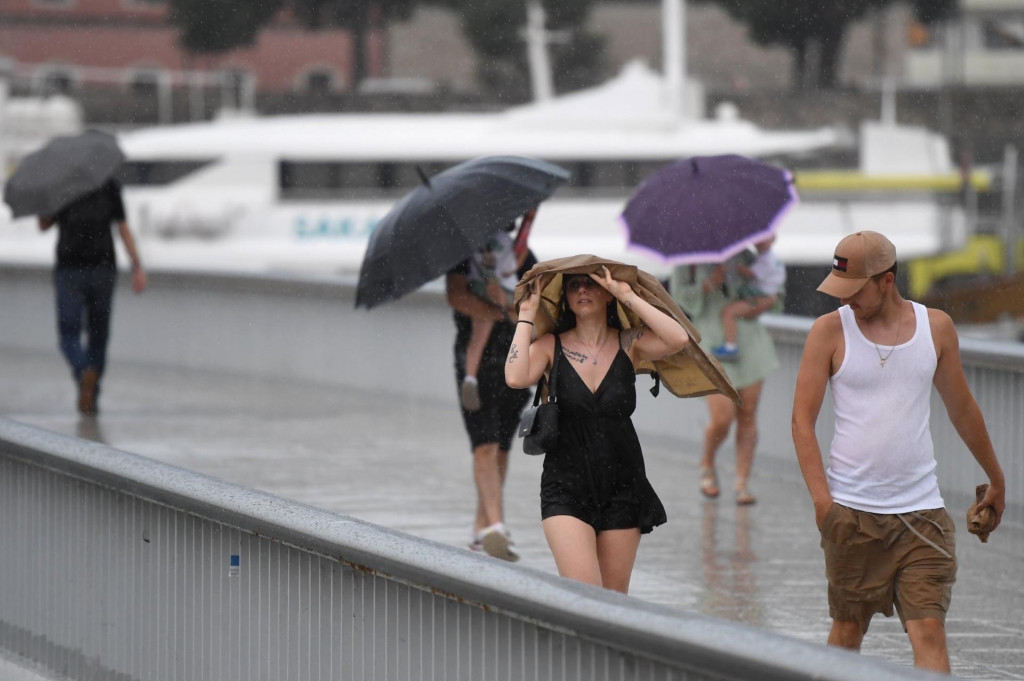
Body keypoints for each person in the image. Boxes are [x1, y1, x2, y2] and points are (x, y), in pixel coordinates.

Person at [791, 230, 1005, 672]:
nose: (846, 300)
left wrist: (996, 478)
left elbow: (962, 408)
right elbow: (801, 421)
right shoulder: (828, 331)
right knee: (848, 632)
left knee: (928, 630)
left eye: (855, 290)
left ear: (886, 281)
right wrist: (822, 504)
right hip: (851, 514)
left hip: (923, 514)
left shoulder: (937, 328)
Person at [505, 266, 688, 593]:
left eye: (591, 284)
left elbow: (678, 338)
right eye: (574, 286)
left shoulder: (630, 342)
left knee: (614, 603)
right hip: (566, 485)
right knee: (584, 598)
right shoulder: (551, 345)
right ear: (566, 298)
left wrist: (627, 294)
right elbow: (516, 377)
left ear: (606, 293)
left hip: (623, 483)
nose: (582, 291)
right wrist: (527, 316)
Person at [446, 242, 536, 561]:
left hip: (514, 359)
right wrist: (496, 309)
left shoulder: (522, 255)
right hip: (475, 365)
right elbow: (456, 296)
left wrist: (507, 303)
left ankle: (481, 528)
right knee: (483, 443)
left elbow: (535, 308)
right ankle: (496, 526)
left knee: (500, 447)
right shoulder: (460, 254)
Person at [671, 255, 778, 505]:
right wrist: (709, 284)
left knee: (748, 413)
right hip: (710, 340)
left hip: (749, 341)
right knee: (723, 417)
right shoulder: (687, 260)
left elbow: (771, 291)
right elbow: (678, 300)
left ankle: (742, 482)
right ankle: (707, 462)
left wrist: (757, 298)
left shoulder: (744, 253)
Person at [38, 178, 147, 415]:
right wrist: (137, 265)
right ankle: (92, 392)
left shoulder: (61, 184)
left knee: (69, 334)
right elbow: (123, 227)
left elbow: (44, 224)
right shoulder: (107, 184)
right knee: (99, 333)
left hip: (70, 269)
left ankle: (84, 371)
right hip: (102, 269)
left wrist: (44, 202)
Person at [460, 228, 521, 412]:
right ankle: (470, 378)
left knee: (478, 338)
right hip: (497, 289)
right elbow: (510, 269)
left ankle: (470, 378)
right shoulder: (504, 241)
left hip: (482, 289)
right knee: (523, 328)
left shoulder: (470, 243)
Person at [712, 236, 786, 362]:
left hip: (760, 297)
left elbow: (751, 273)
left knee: (729, 313)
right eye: (758, 239)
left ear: (772, 239)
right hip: (760, 295)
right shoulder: (768, 257)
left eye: (763, 239)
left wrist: (734, 265)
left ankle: (730, 347)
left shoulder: (767, 259)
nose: (759, 242)